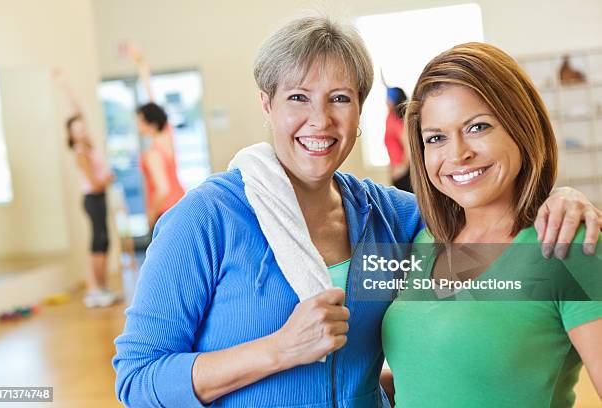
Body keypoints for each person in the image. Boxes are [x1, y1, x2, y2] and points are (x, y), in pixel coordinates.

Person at [113, 18, 601, 408]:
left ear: (360, 110)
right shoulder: (206, 220)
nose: (320, 120)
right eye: (297, 97)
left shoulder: (394, 219)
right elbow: (138, 380)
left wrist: (557, 197)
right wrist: (277, 351)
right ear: (266, 104)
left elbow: (494, 240)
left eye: (340, 99)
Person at [382, 42, 602, 407]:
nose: (457, 154)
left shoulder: (566, 244)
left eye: (477, 127)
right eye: (436, 138)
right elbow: (436, 372)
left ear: (520, 126)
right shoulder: (424, 242)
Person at [53, 69, 120, 308]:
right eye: (77, 128)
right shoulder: (80, 153)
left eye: (82, 126)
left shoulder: (89, 145)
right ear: (71, 134)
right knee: (98, 243)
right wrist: (108, 178)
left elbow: (78, 109)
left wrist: (64, 86)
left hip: (99, 197)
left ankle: (102, 288)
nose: (82, 129)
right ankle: (94, 289)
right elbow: (94, 182)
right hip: (92, 198)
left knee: (104, 242)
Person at [121, 43, 186, 229]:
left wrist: (151, 214)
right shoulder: (167, 136)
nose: (136, 124)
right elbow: (152, 101)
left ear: (149, 123)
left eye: (139, 121)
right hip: (181, 204)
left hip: (165, 213)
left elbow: (162, 189)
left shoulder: (153, 153)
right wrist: (141, 64)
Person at [384, 86, 412, 192]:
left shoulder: (398, 120)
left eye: (388, 98)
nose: (386, 100)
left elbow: (408, 146)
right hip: (396, 172)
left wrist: (402, 167)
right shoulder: (389, 118)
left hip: (405, 174)